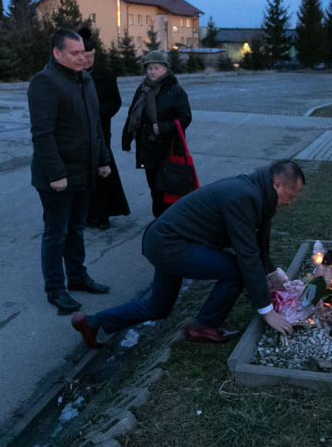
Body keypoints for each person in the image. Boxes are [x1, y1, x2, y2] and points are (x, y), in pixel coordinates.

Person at [71, 160, 305, 348]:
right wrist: (266, 311)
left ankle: (93, 323)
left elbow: (258, 242)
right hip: (170, 245)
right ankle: (204, 327)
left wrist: (272, 273)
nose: (291, 203)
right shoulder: (246, 196)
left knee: (158, 307)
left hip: (166, 241)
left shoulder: (259, 193)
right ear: (278, 184)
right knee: (236, 270)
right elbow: (247, 254)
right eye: (292, 196)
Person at [28, 28, 114, 314]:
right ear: (57, 53)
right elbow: (42, 134)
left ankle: (77, 277)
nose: (82, 58)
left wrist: (103, 159)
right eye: (75, 54)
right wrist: (55, 175)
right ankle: (55, 288)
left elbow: (95, 125)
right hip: (58, 177)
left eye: (83, 53)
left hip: (84, 171)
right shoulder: (45, 82)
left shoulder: (85, 79)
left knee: (76, 229)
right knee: (57, 233)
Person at [121, 50, 191, 217]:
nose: (152, 71)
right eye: (149, 68)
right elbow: (132, 114)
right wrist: (127, 139)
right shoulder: (143, 89)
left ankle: (166, 221)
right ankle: (159, 220)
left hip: (168, 147)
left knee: (166, 187)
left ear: (165, 69)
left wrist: (165, 127)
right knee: (153, 186)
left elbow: (185, 117)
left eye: (156, 68)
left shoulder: (175, 90)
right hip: (147, 147)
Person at [79, 28, 130, 229]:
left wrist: (97, 113)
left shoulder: (105, 75)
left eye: (91, 56)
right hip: (79, 136)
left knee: (103, 175)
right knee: (83, 177)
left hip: (101, 133)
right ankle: (84, 215)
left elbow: (115, 101)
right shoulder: (72, 76)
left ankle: (103, 215)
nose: (88, 60)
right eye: (85, 56)